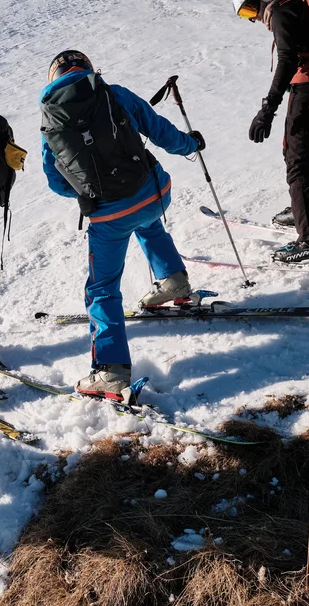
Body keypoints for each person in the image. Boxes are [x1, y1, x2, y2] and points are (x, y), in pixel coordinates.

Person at [39, 50, 203, 402]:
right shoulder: (113, 93)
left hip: (108, 216)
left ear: (54, 78)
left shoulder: (51, 118)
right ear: (88, 69)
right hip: (155, 194)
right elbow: (160, 131)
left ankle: (110, 370)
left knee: (102, 288)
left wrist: (89, 192)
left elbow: (55, 180)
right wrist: (192, 143)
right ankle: (174, 279)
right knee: (146, 220)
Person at [233, 0, 309, 262]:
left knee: (299, 162)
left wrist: (266, 110)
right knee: (302, 157)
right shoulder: (300, 6)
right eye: (245, 14)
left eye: (249, 8)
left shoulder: (283, 12)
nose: (253, 17)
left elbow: (286, 61)